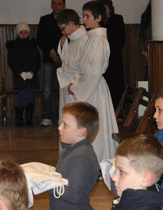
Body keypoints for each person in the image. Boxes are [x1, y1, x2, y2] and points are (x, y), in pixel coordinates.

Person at [65, 1, 117, 163]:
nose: (84, 20)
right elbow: (84, 67)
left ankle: (98, 161)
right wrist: (76, 82)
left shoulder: (99, 40)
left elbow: (94, 71)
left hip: (94, 88)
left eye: (87, 16)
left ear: (98, 18)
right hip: (90, 85)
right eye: (84, 15)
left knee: (96, 127)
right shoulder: (92, 38)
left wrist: (78, 87)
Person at [50, 102, 100, 210]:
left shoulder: (82, 156)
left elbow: (73, 194)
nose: (59, 128)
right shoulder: (69, 150)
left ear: (81, 131)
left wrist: (47, 184)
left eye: (65, 125)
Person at [37, 0, 65, 127]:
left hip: (64, 60)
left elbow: (70, 38)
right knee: (47, 90)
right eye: (54, 3)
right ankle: (47, 116)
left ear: (64, 5)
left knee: (63, 89)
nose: (56, 6)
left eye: (59, 3)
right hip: (49, 58)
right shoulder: (45, 20)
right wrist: (51, 52)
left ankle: (63, 117)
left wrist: (60, 53)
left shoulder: (67, 19)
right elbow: (41, 39)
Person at [6, 22, 41, 127]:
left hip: (31, 75)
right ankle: (19, 120)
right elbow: (11, 62)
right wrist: (20, 72)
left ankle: (29, 120)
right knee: (22, 96)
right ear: (18, 33)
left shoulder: (32, 45)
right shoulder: (13, 46)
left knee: (30, 96)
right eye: (21, 32)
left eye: (25, 32)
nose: (24, 34)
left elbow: (37, 60)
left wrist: (32, 72)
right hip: (19, 76)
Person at [56, 9, 89, 115]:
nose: (62, 32)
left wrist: (62, 72)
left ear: (71, 23)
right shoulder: (73, 39)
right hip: (68, 82)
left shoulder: (84, 39)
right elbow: (66, 60)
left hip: (75, 84)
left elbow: (82, 64)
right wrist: (63, 46)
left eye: (63, 28)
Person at [98, 0, 125, 109]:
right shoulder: (98, 20)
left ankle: (117, 110)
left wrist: (108, 49)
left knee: (116, 85)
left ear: (110, 8)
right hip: (100, 57)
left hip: (114, 57)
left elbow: (121, 39)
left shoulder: (117, 19)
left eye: (105, 8)